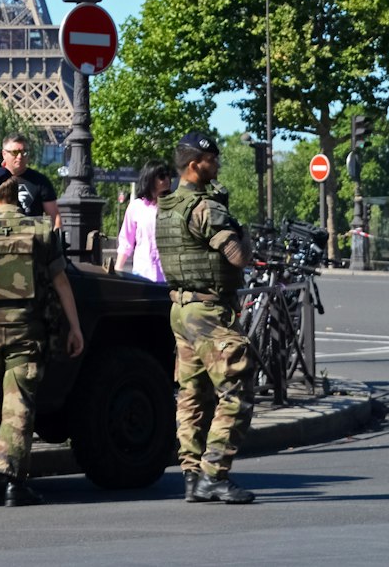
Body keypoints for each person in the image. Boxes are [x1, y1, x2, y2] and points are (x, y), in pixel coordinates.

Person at [0, 174, 84, 506]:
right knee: (18, 406)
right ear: (17, 197)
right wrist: (75, 328)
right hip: (27, 332)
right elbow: (62, 283)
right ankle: (11, 483)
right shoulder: (42, 230)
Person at [154, 131, 255, 505]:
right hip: (209, 311)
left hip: (180, 309)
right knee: (236, 390)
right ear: (196, 164)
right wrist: (243, 234)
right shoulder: (206, 208)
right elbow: (237, 257)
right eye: (213, 159)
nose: (219, 164)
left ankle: (192, 477)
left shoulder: (167, 206)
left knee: (191, 395)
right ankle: (215, 473)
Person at [0, 134, 61, 228]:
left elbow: (55, 217)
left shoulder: (40, 181)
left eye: (24, 152)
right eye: (15, 152)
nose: (20, 156)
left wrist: (55, 240)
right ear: (4, 154)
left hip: (31, 238)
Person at [115, 161, 172, 282]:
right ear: (150, 179)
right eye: (162, 176)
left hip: (169, 276)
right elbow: (126, 240)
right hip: (142, 273)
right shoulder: (136, 207)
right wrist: (118, 268)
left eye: (168, 175)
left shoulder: (174, 206)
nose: (167, 179)